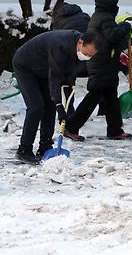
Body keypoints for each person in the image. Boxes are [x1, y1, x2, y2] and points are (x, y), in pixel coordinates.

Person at [12, 30, 98, 164]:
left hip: (43, 69)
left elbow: (69, 72)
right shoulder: (60, 46)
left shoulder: (76, 47)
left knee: (49, 107)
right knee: (36, 107)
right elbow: (55, 77)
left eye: (90, 56)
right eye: (86, 54)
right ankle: (24, 150)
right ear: (80, 42)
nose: (87, 57)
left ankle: (45, 146)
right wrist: (59, 105)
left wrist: (63, 98)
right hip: (25, 66)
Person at [63, 0, 132, 141]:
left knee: (110, 97)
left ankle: (115, 130)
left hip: (104, 62)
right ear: (109, 3)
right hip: (101, 63)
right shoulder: (105, 17)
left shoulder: (100, 16)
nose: (117, 5)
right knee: (94, 96)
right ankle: (70, 127)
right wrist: (127, 25)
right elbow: (113, 35)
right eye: (115, 2)